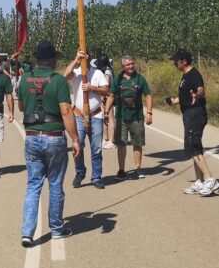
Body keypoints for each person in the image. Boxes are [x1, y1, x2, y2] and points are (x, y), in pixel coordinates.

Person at [18, 41, 81, 247]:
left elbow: (21, 106)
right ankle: (56, 229)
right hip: (53, 136)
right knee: (55, 183)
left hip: (32, 135)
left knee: (33, 185)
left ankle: (27, 232)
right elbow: (66, 111)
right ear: (52, 59)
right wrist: (75, 139)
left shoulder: (24, 79)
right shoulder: (58, 81)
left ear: (37, 59)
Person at [167, 50, 219, 196]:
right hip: (189, 114)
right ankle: (199, 181)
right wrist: (174, 101)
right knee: (193, 148)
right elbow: (186, 96)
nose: (174, 63)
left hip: (195, 114)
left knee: (194, 146)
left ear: (184, 61)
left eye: (176, 61)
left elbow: (200, 90)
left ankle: (210, 179)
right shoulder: (185, 76)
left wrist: (198, 94)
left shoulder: (194, 74)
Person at [64, 51, 109, 189]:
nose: (83, 57)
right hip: (79, 115)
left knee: (96, 149)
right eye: (79, 54)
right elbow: (65, 76)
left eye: (84, 54)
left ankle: (96, 177)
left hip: (95, 115)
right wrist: (75, 60)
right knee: (77, 146)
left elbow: (106, 90)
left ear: (89, 57)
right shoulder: (76, 72)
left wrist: (92, 88)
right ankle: (80, 172)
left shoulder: (97, 73)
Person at [110, 55, 152, 180]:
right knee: (121, 144)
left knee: (137, 143)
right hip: (121, 117)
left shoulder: (140, 79)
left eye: (132, 63)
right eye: (128, 64)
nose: (131, 66)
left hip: (136, 117)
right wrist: (106, 112)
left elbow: (148, 95)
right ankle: (121, 170)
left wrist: (149, 112)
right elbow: (111, 95)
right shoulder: (118, 79)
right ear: (123, 66)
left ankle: (138, 169)